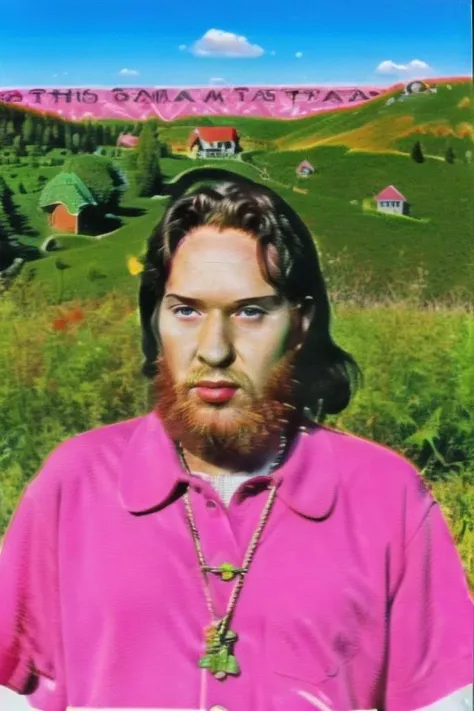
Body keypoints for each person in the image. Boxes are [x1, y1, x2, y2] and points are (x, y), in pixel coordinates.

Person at [0, 176, 472, 711]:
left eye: (250, 311)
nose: (214, 349)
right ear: (155, 321)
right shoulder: (76, 483)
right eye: (186, 311)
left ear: (300, 322)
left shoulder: (385, 495)